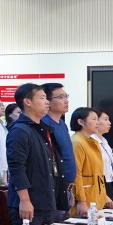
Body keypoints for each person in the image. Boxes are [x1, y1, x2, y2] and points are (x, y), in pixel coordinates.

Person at [6, 83, 64, 225]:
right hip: (30, 204)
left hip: (46, 201)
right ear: (28, 102)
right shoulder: (19, 130)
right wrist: (25, 200)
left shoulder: (43, 129)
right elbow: (16, 167)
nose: (47, 102)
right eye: (42, 98)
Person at [42, 83, 78, 217]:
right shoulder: (44, 124)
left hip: (66, 185)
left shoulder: (62, 124)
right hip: (54, 186)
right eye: (61, 97)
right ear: (48, 101)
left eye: (66, 96)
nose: (66, 100)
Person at [70, 107, 110, 216]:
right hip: (85, 199)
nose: (97, 122)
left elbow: (98, 173)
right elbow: (76, 173)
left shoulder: (93, 141)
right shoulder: (77, 142)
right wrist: (81, 200)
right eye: (94, 119)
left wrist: (104, 196)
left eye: (97, 119)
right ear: (81, 122)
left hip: (96, 196)